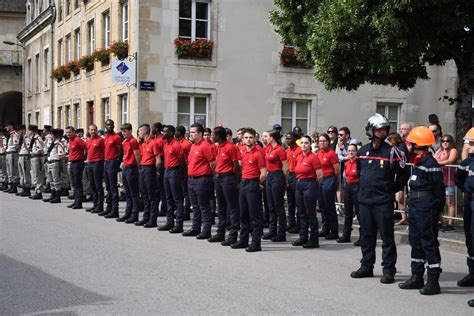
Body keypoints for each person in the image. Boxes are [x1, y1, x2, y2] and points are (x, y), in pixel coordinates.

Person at [351, 113, 408, 284]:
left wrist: (392, 189)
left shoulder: (392, 152)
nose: (382, 132)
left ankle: (389, 269)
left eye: (384, 129)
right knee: (367, 235)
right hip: (365, 200)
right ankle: (367, 266)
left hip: (383, 201)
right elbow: (360, 172)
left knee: (387, 237)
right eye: (379, 129)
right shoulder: (362, 151)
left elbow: (403, 174)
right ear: (371, 130)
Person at [398, 126, 445, 295]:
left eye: (411, 143)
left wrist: (438, 211)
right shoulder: (419, 161)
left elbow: (439, 190)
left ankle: (433, 280)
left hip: (427, 207)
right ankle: (417, 276)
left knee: (428, 242)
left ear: (418, 144)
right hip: (417, 205)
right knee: (415, 240)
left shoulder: (430, 163)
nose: (408, 145)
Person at [232, 128, 267, 252]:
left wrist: (257, 183)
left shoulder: (258, 153)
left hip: (253, 184)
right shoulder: (242, 151)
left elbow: (264, 172)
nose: (248, 139)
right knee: (243, 214)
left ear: (255, 138)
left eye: (250, 137)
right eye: (246, 137)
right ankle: (243, 240)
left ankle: (256, 243)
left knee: (255, 216)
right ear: (242, 139)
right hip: (243, 183)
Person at [182, 123, 216, 239]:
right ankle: (195, 228)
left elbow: (212, 163)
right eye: (190, 132)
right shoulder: (193, 146)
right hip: (191, 179)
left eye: (193, 132)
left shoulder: (205, 146)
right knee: (195, 206)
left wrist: (210, 176)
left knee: (204, 206)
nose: (190, 134)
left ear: (200, 134)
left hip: (202, 179)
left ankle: (206, 230)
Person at [210, 126, 241, 245]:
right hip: (219, 177)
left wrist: (236, 181)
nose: (212, 137)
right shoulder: (219, 147)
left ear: (219, 135)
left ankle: (233, 235)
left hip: (228, 178)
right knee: (221, 206)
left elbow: (236, 166)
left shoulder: (230, 147)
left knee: (232, 207)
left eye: (213, 135)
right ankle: (220, 233)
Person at [292, 135, 323, 248]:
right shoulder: (299, 157)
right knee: (301, 212)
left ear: (310, 145)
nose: (304, 145)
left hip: (309, 184)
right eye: (302, 143)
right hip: (299, 184)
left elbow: (319, 175)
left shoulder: (313, 157)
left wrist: (312, 185)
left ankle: (314, 239)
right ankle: (303, 236)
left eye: (306, 143)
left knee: (310, 212)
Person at [454, 128, 474, 305]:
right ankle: (472, 273)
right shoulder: (466, 163)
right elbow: (458, 180)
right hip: (469, 203)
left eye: (472, 143)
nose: (469, 146)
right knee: (470, 239)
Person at [263, 129, 289, 242]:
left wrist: (285, 181)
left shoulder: (280, 149)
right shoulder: (268, 148)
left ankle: (281, 232)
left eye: (267, 137)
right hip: (269, 176)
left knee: (278, 206)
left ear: (272, 137)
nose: (265, 139)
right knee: (270, 205)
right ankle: (272, 230)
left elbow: (286, 167)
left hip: (277, 176)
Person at [159, 125, 186, 233]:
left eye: (165, 131)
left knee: (178, 200)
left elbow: (182, 161)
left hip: (174, 171)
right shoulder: (166, 144)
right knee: (168, 198)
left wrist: (179, 173)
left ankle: (179, 224)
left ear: (170, 133)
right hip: (167, 170)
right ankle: (170, 222)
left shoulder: (176, 145)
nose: (162, 133)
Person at [316, 133, 340, 240]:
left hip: (329, 179)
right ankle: (325, 228)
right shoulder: (318, 153)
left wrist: (333, 181)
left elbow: (337, 170)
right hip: (320, 180)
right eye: (320, 141)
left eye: (324, 141)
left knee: (329, 206)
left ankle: (334, 230)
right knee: (322, 206)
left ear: (328, 142)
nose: (322, 143)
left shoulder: (331, 154)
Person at [136, 124, 160, 228]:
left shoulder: (153, 143)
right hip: (143, 168)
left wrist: (156, 171)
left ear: (144, 132)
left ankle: (152, 220)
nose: (138, 134)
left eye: (139, 132)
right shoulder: (143, 144)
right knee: (144, 194)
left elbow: (158, 160)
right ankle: (146, 217)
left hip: (150, 169)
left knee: (152, 196)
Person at [434, 134, 459, 232]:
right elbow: (433, 159)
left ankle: (450, 223)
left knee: (450, 203)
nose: (445, 142)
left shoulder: (453, 150)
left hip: (450, 181)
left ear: (451, 142)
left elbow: (450, 161)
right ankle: (440, 221)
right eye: (443, 141)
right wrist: (440, 162)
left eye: (447, 141)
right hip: (440, 181)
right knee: (439, 202)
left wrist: (438, 162)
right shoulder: (439, 150)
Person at [117, 123, 141, 223]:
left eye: (125, 131)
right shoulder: (125, 141)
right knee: (127, 193)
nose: (123, 133)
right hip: (126, 167)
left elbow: (137, 155)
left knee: (134, 194)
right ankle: (128, 213)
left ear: (130, 131)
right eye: (122, 131)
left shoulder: (133, 141)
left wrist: (138, 168)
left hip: (132, 168)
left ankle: (134, 215)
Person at [337, 144, 360, 244]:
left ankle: (363, 236)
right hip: (348, 187)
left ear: (356, 152)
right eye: (349, 151)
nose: (351, 153)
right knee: (348, 213)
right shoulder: (346, 163)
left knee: (359, 213)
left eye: (353, 151)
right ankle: (346, 235)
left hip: (357, 187)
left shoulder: (359, 163)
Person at [387, 132, 409, 226]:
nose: (388, 142)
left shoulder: (401, 146)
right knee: (398, 197)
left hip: (402, 174)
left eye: (389, 140)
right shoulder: (396, 146)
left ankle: (406, 216)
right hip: (399, 174)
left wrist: (396, 172)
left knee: (401, 197)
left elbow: (401, 159)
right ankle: (404, 217)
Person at [103, 119, 123, 218]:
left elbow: (120, 152)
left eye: (111, 125)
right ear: (105, 126)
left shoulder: (117, 137)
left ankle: (115, 210)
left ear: (114, 126)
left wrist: (116, 163)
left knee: (113, 187)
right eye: (108, 125)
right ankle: (109, 208)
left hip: (112, 162)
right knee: (108, 187)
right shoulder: (106, 137)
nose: (109, 126)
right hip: (106, 162)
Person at [85, 124, 105, 214]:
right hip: (90, 163)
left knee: (98, 185)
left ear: (96, 130)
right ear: (89, 130)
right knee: (92, 185)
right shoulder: (88, 140)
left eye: (94, 130)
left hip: (98, 163)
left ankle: (100, 206)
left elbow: (104, 151)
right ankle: (95, 204)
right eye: (91, 130)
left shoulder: (100, 140)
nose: (93, 131)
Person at [43, 128, 66, 204]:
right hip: (50, 162)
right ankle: (52, 195)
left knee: (56, 180)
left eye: (52, 134)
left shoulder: (58, 144)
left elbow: (61, 155)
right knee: (51, 180)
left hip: (55, 163)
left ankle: (57, 197)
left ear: (55, 135)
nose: (50, 136)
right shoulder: (52, 143)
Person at [65, 126, 87, 208]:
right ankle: (76, 201)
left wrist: (85, 156)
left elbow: (86, 147)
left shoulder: (77, 140)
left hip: (78, 163)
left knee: (78, 183)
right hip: (72, 163)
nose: (68, 134)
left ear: (74, 132)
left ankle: (79, 202)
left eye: (70, 132)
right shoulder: (70, 140)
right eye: (67, 132)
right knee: (74, 183)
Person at [285, 132, 302, 234]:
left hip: (296, 175)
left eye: (289, 139)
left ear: (295, 139)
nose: (287, 140)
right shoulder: (286, 151)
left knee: (298, 201)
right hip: (289, 175)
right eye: (286, 139)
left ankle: (299, 224)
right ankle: (291, 222)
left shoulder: (299, 150)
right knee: (290, 202)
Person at [176, 125, 192, 220]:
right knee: (179, 191)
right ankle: (180, 211)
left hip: (184, 167)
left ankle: (186, 211)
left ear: (180, 132)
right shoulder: (177, 142)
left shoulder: (186, 144)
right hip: (177, 167)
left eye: (176, 131)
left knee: (185, 191)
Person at [27, 125, 45, 200]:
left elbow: (40, 149)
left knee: (38, 175)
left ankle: (39, 192)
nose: (28, 132)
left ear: (33, 131)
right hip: (33, 157)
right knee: (34, 174)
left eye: (29, 130)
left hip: (36, 157)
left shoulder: (37, 138)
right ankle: (36, 191)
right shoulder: (33, 138)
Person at [4, 121, 20, 194]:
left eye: (7, 126)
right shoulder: (10, 135)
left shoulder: (14, 135)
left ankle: (14, 187)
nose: (6, 128)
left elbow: (16, 146)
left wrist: (14, 153)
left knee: (13, 170)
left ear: (11, 126)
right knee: (9, 170)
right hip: (8, 153)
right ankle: (11, 186)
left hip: (13, 154)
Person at [16, 125, 31, 196]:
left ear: (23, 130)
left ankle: (27, 189)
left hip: (24, 156)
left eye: (19, 131)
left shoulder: (26, 138)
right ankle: (23, 188)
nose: (18, 133)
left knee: (25, 173)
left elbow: (28, 148)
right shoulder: (21, 138)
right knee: (21, 173)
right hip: (20, 155)